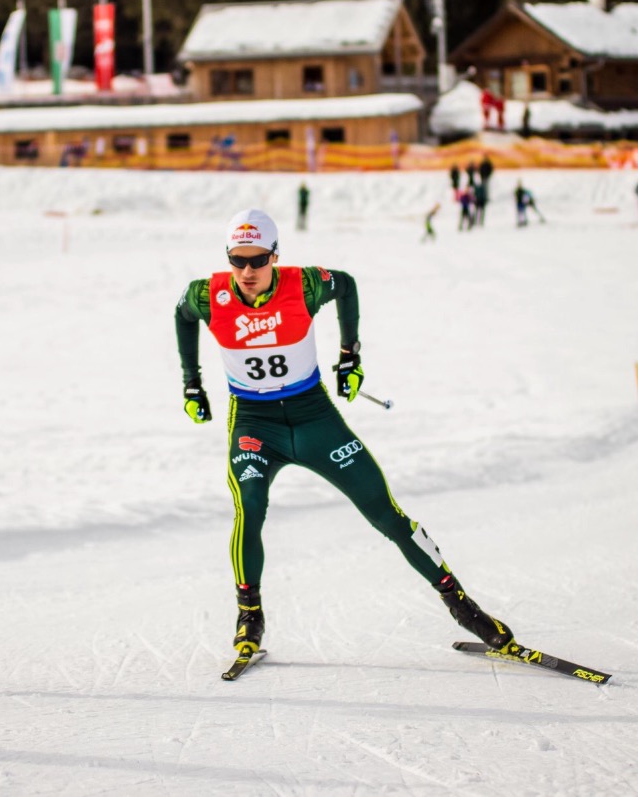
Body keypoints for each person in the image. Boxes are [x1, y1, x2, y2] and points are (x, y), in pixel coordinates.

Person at [174, 209, 517, 661]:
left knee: (385, 514)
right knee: (250, 507)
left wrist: (349, 355)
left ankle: (461, 605)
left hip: (314, 416)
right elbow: (182, 315)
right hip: (255, 425)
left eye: (258, 259)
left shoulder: (305, 285)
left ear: (275, 256)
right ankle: (250, 612)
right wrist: (192, 383)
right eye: (237, 260)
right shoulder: (207, 294)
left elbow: (348, 284)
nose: (248, 272)